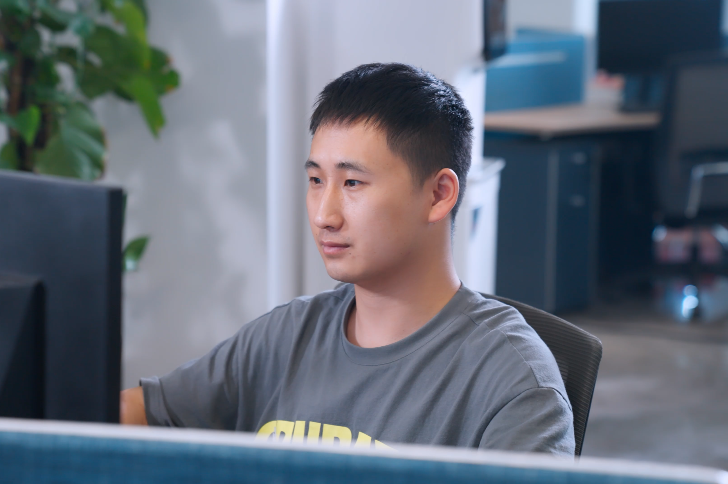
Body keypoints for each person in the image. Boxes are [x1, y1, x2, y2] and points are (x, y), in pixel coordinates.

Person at [120, 63, 574, 455]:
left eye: (353, 183)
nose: (324, 215)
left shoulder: (514, 381)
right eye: (316, 181)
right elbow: (137, 414)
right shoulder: (286, 336)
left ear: (438, 195)